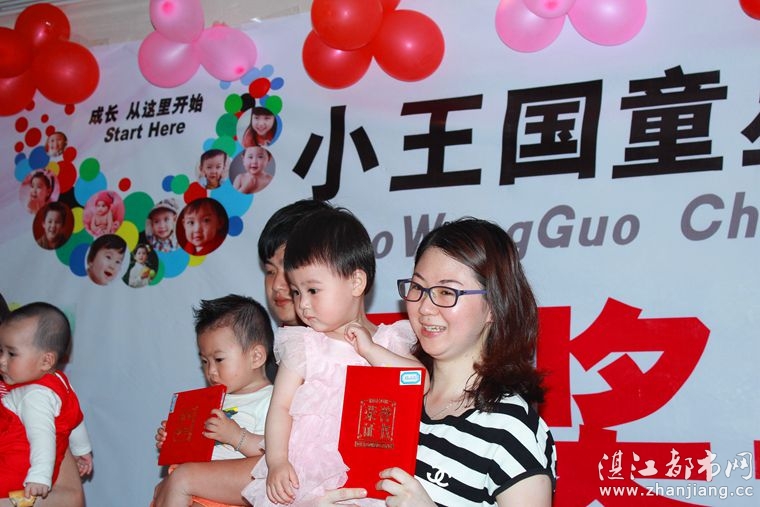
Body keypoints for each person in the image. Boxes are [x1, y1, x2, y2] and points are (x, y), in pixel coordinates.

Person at [321, 217, 557, 506]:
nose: (424, 307)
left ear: (493, 307)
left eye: (446, 292)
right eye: (417, 288)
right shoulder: (386, 397)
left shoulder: (512, 428)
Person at [241, 207, 423, 507]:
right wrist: (277, 461)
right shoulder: (304, 345)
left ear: (356, 283)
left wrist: (371, 351)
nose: (303, 304)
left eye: (313, 290)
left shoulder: (388, 341)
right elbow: (281, 407)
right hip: (306, 481)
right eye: (297, 292)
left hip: (368, 480)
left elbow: (420, 382)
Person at [153, 295, 275, 507]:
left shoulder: (272, 400)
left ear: (256, 357)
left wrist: (236, 436)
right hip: (196, 489)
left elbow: (276, 453)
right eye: (204, 361)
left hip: (232, 496)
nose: (210, 371)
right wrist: (174, 441)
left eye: (219, 360)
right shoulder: (209, 400)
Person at [0, 302, 93, 502]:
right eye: (1, 351)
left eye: (11, 354)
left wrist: (39, 477)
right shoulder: (59, 382)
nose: (2, 361)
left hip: (15, 473)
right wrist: (82, 449)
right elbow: (74, 419)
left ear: (46, 360)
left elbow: (42, 436)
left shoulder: (32, 396)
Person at [257, 199, 334, 327]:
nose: (276, 285)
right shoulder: (261, 339)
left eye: (288, 269)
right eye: (270, 271)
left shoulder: (368, 337)